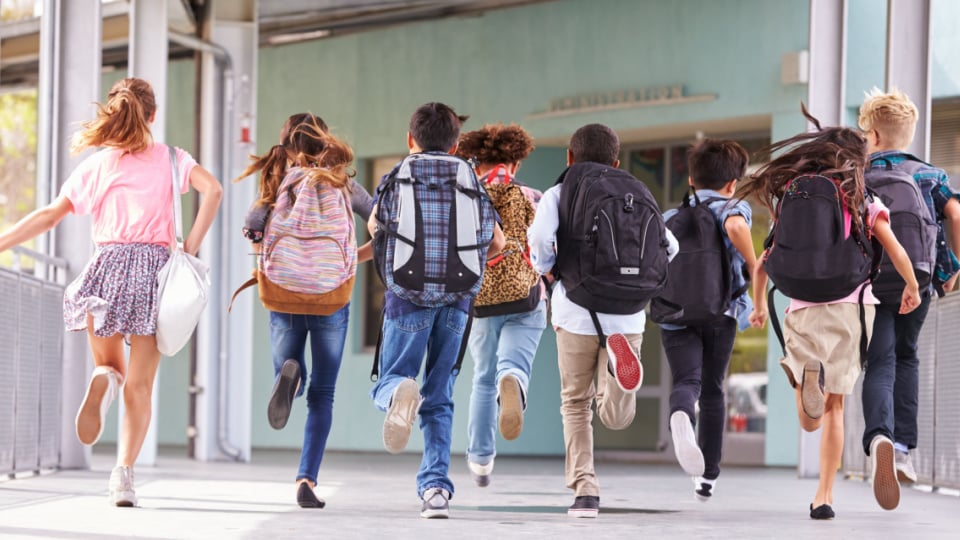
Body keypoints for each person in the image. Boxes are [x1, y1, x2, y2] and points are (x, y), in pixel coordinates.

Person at [0, 77, 223, 506]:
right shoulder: (172, 159)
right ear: (153, 116)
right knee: (139, 388)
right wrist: (189, 247)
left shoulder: (98, 166)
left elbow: (49, 216)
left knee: (110, 366)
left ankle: (103, 378)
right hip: (153, 275)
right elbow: (212, 190)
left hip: (106, 268)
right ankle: (123, 477)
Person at [743, 112, 921, 520]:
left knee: (810, 420)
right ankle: (826, 495)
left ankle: (810, 382)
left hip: (801, 307)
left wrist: (756, 306)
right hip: (851, 306)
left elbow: (762, 265)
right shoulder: (861, 197)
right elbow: (894, 248)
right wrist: (910, 286)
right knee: (836, 407)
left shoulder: (791, 194)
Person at [527, 123, 678, 518]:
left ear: (569, 158)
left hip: (576, 310)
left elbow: (540, 238)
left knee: (576, 404)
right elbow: (670, 246)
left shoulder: (560, 192)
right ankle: (620, 379)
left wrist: (546, 269)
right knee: (616, 416)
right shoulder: (636, 190)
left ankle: (586, 490)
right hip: (628, 317)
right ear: (616, 160)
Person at [367, 103, 505, 519]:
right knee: (440, 394)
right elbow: (496, 241)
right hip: (458, 300)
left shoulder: (398, 175)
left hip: (406, 296)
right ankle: (435, 491)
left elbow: (376, 227)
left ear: (411, 140)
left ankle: (397, 393)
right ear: (456, 142)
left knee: (390, 379)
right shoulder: (470, 178)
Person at [235, 113, 371, 509]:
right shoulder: (342, 182)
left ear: (288, 148)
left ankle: (289, 378)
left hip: (284, 293)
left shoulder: (277, 183)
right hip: (332, 295)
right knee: (323, 395)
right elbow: (381, 221)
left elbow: (253, 228)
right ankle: (307, 479)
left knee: (289, 367)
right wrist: (352, 259)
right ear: (324, 143)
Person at [857, 88, 960, 507]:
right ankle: (902, 449)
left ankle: (878, 434)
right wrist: (951, 267)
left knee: (878, 360)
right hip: (916, 277)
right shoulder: (931, 175)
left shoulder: (858, 175)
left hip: (869, 279)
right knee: (908, 356)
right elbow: (954, 213)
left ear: (875, 136)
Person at [658, 139, 756, 501]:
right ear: (732, 182)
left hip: (676, 312)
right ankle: (708, 477)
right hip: (720, 312)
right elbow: (734, 228)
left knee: (688, 381)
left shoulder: (669, 217)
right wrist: (754, 262)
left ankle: (682, 413)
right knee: (714, 389)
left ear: (690, 179)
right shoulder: (734, 207)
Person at [455, 123, 547, 487]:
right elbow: (546, 250)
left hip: (480, 300)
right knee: (513, 364)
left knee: (482, 378)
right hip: (525, 296)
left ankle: (480, 460)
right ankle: (515, 380)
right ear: (517, 161)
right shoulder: (531, 196)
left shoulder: (467, 197)